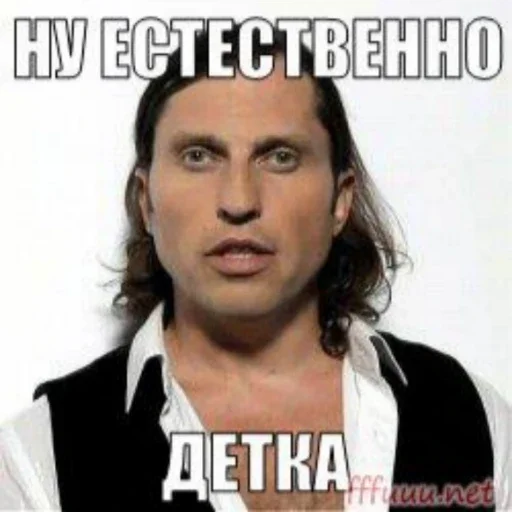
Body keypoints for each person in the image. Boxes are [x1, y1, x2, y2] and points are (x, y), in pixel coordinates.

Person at [0, 26, 510, 511]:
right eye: (199, 156)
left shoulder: (476, 422)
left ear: (340, 199)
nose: (239, 200)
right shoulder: (41, 455)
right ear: (146, 201)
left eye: (280, 157)